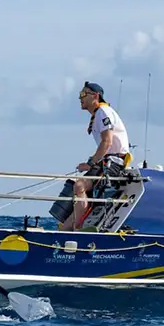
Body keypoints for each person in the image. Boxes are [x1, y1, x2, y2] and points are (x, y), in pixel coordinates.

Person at [60, 82, 132, 231]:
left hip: (114, 162)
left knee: (79, 185)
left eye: (83, 94)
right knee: (79, 186)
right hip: (107, 160)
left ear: (95, 96)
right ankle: (73, 224)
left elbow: (107, 142)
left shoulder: (103, 112)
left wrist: (91, 163)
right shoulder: (99, 113)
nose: (80, 98)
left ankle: (71, 228)